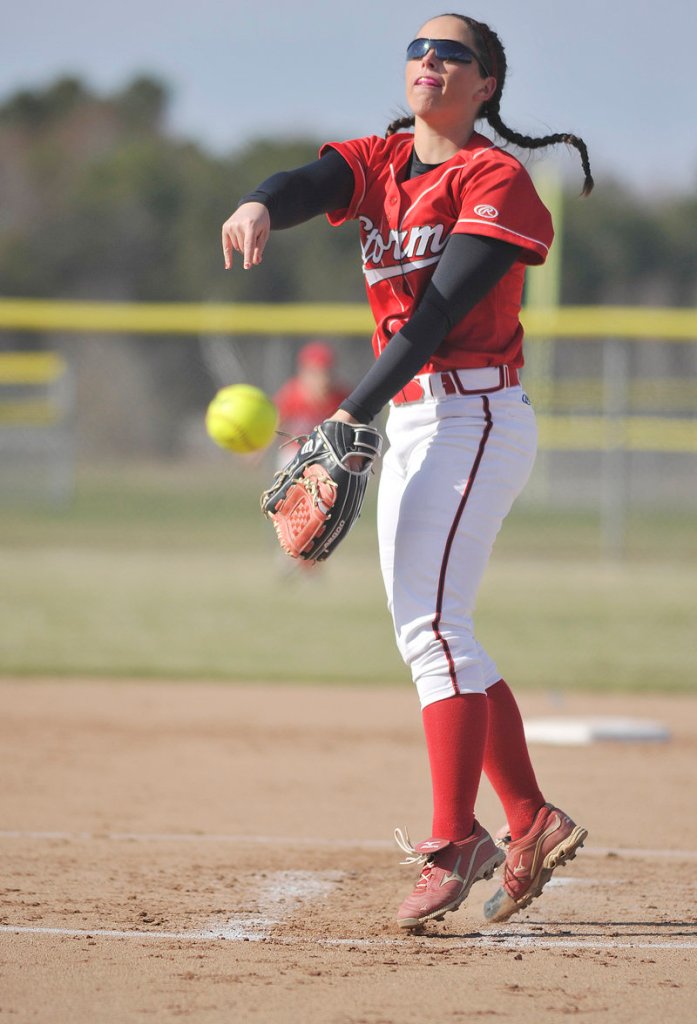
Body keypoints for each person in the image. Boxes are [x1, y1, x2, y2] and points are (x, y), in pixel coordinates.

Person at [221, 12, 592, 931]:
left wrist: (350, 413)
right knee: (434, 630)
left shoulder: (495, 177)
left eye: (451, 52)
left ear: (486, 84)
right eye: (417, 48)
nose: (428, 60)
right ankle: (527, 818)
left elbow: (429, 319)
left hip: (473, 411)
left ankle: (452, 842)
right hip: (426, 417)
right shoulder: (384, 162)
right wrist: (263, 200)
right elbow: (312, 180)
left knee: (432, 629)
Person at [273, 340, 350, 459]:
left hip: (327, 453)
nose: (322, 380)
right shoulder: (291, 394)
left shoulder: (340, 397)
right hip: (294, 452)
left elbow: (353, 429)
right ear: (303, 373)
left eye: (326, 373)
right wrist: (258, 449)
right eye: (314, 373)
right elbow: (276, 423)